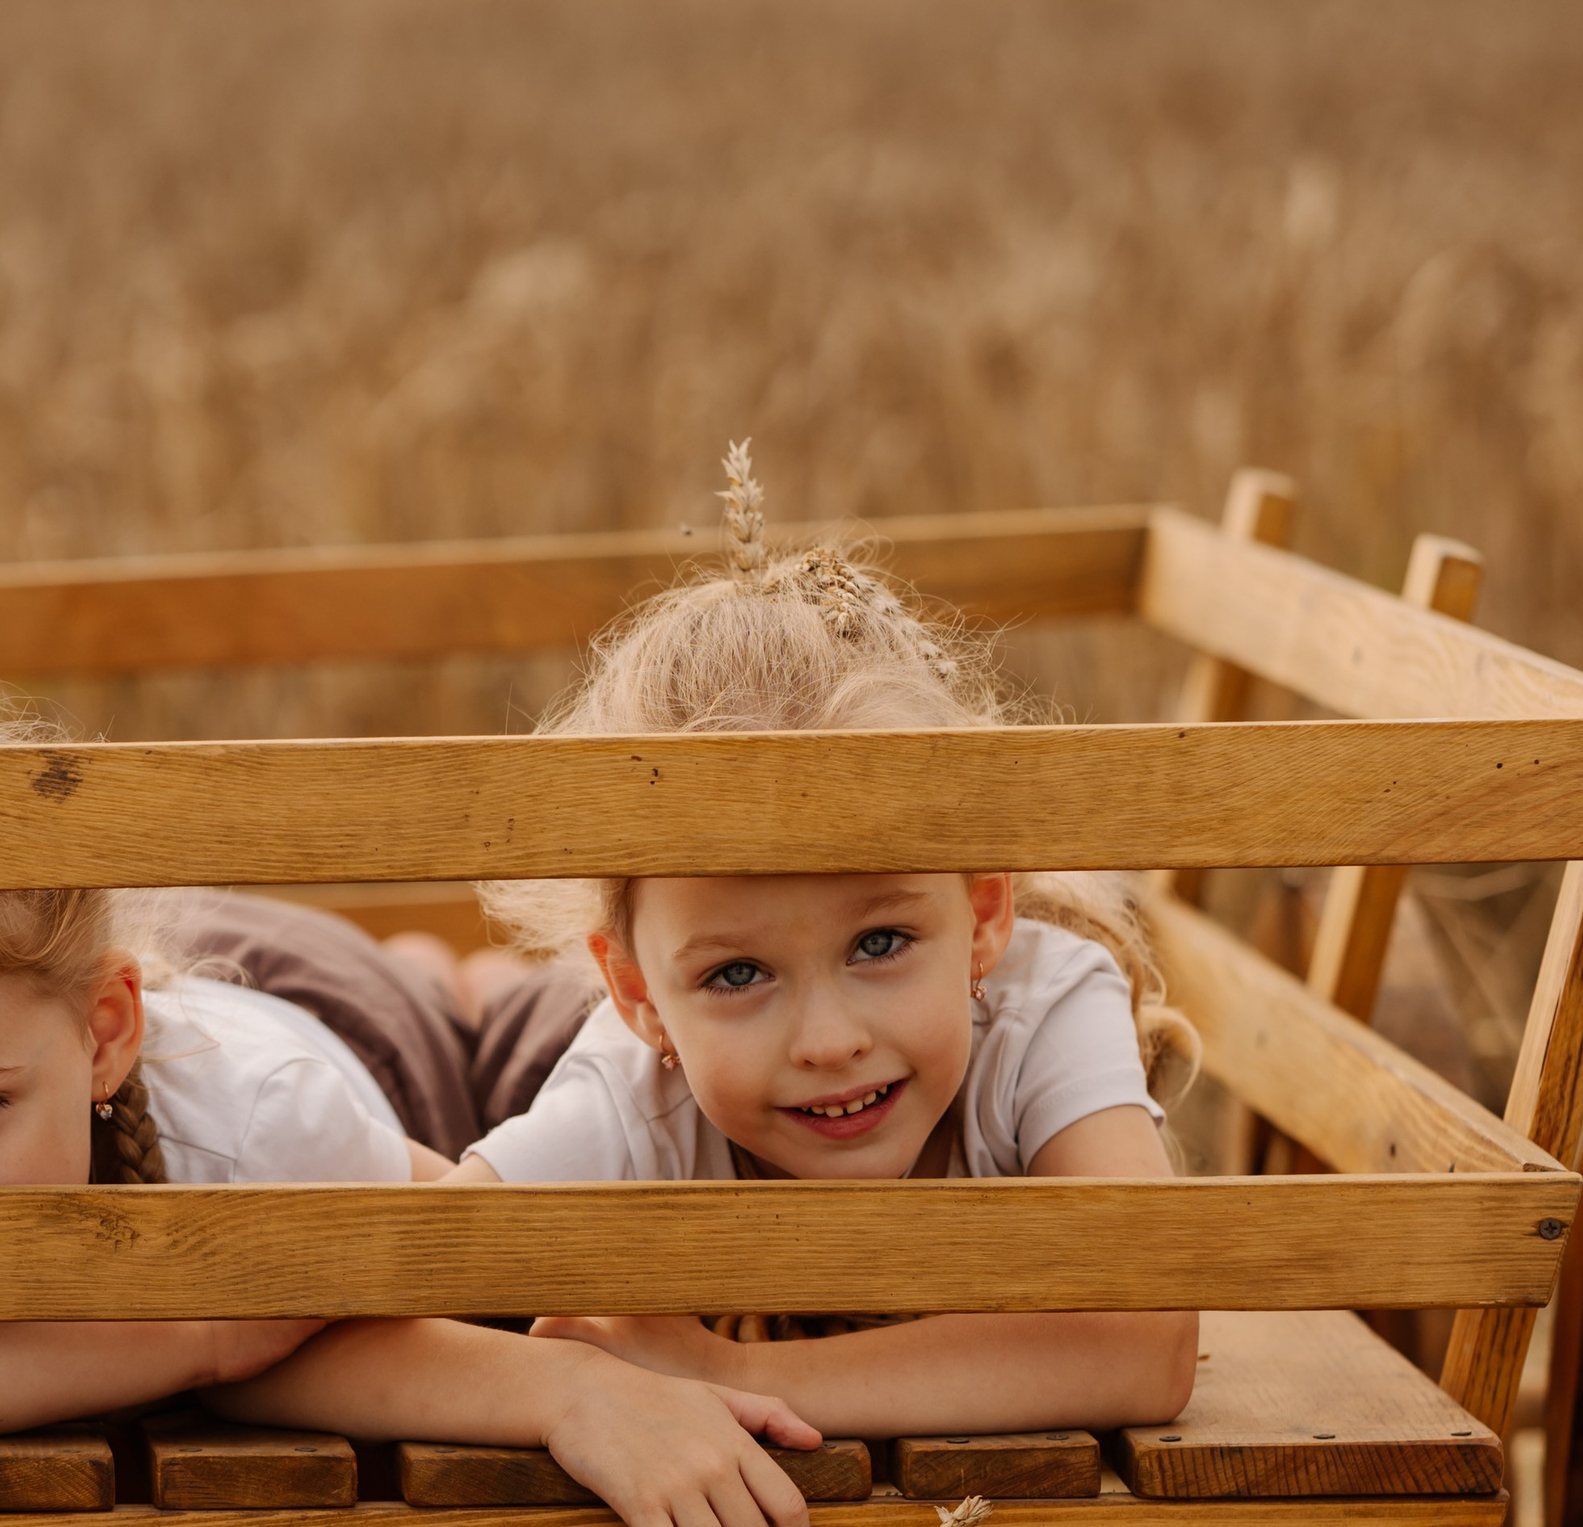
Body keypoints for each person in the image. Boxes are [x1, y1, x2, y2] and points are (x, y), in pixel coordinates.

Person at [0, 675, 824, 1527]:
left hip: (339, 1020)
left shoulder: (263, 1123)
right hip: (174, 955)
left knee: (471, 1032)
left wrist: (579, 1386)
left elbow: (469, 1256)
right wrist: (208, 1335)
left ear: (102, 1038)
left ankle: (447, 980)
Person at [426, 444, 1199, 1440]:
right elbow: (381, 1289)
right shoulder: (628, 1090)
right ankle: (455, 983)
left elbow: (1144, 1343)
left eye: (879, 943)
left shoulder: (1042, 1004)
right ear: (638, 995)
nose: (830, 1042)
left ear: (984, 915)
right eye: (739, 972)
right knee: (458, 1015)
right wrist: (575, 1390)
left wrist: (725, 1371)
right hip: (532, 1047)